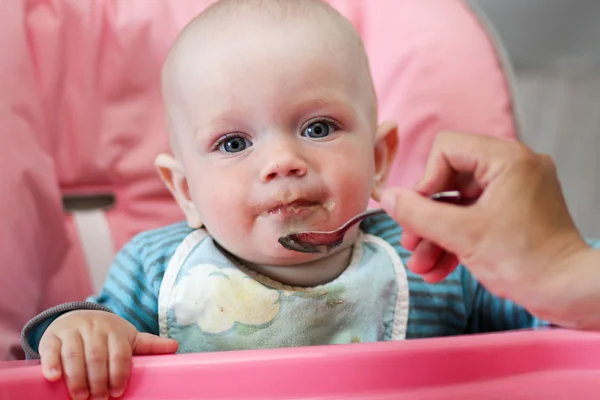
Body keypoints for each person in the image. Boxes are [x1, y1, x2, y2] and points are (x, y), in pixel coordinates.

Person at [19, 1, 599, 399]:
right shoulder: (156, 269)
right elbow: (74, 334)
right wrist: (82, 333)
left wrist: (557, 261)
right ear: (187, 192)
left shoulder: (437, 262)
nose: (281, 162)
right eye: (234, 142)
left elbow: (568, 326)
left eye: (318, 128)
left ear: (378, 158)